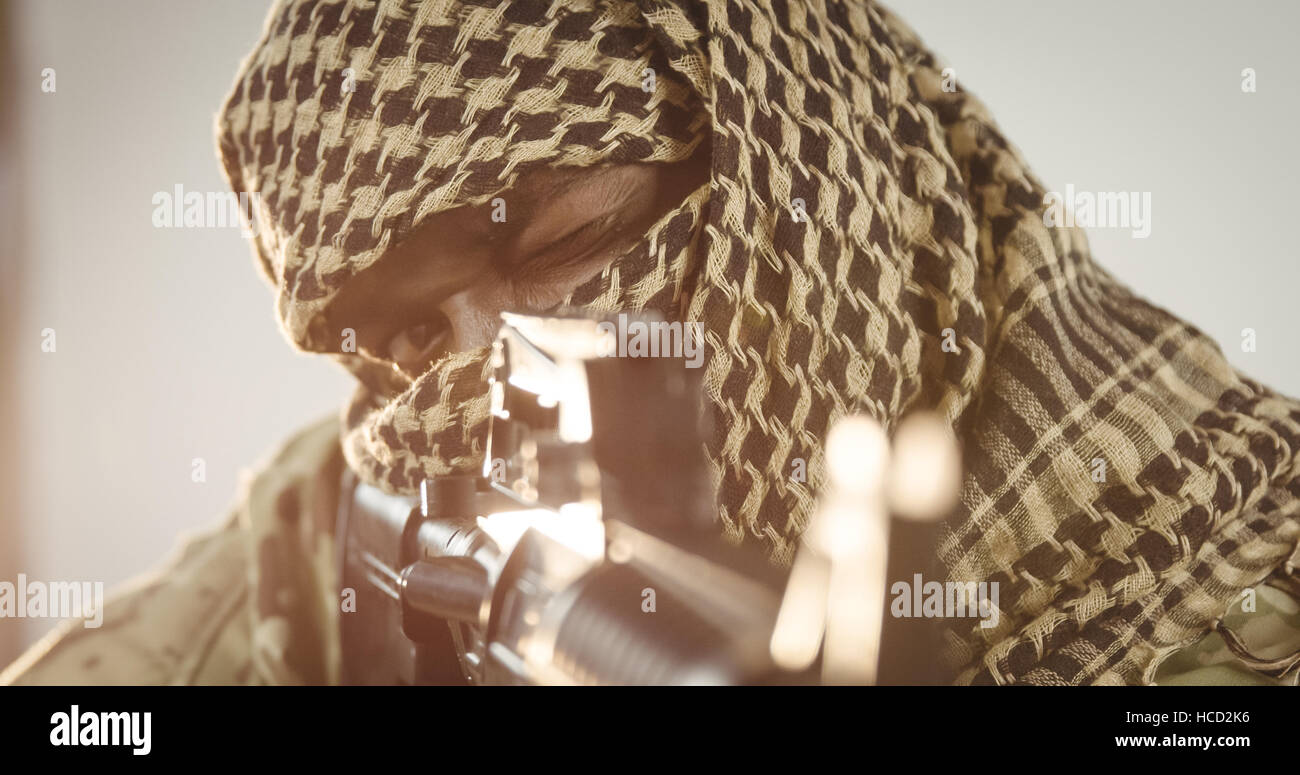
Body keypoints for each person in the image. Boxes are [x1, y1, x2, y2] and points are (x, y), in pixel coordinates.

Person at [4, 0, 1299, 686]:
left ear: (815, 148)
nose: (485, 368)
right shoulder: (320, 554)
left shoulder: (1255, 563)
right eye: (399, 338)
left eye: (567, 241)